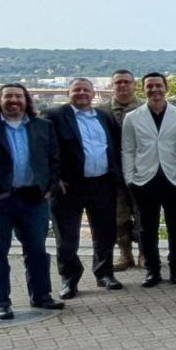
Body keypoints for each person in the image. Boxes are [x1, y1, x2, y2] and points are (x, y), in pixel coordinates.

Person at [0, 83, 63, 318]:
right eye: (8, 96)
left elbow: (54, 160)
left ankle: (41, 296)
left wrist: (50, 187)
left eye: (18, 96)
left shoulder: (43, 126)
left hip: (33, 198)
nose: (13, 100)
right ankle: (0, 302)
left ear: (26, 100)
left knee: (37, 249)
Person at [47, 78, 124, 296]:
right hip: (69, 186)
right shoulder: (55, 116)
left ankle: (104, 274)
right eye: (77, 90)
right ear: (68, 92)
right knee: (67, 237)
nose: (82, 93)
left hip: (102, 183)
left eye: (86, 90)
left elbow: (116, 146)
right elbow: (46, 148)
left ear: (93, 93)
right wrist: (54, 179)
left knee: (105, 233)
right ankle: (70, 278)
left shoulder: (105, 115)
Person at [122, 73, 176, 287]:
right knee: (147, 229)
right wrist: (129, 178)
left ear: (166, 87)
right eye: (150, 86)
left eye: (158, 86)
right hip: (144, 179)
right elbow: (128, 149)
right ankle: (152, 271)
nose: (154, 90)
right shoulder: (132, 117)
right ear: (143, 89)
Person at [105, 69, 145, 271]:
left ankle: (144, 254)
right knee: (119, 217)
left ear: (134, 84)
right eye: (118, 82)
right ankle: (125, 254)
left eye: (127, 82)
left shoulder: (144, 108)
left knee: (143, 214)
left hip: (141, 170)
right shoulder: (102, 111)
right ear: (112, 86)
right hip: (113, 172)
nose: (122, 86)